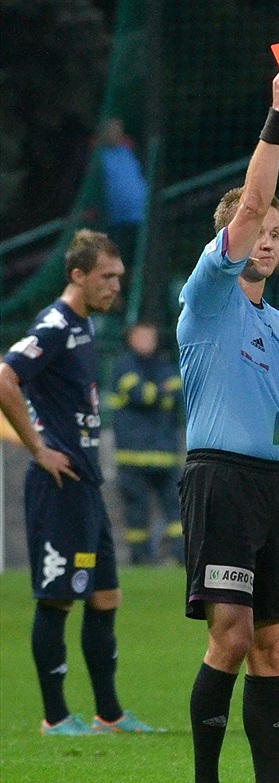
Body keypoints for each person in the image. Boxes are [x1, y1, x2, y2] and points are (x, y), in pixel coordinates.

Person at [176, 66, 279, 783]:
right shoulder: (206, 296)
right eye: (255, 230)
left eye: (272, 233)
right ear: (231, 241)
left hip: (272, 485)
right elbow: (254, 196)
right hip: (220, 480)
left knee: (273, 642)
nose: (266, 237)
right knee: (228, 635)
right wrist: (277, 112)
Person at [0, 229, 155, 736]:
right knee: (58, 597)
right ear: (78, 275)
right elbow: (5, 376)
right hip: (59, 486)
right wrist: (37, 448)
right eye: (107, 277)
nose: (116, 286)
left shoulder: (85, 326)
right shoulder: (54, 325)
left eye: (119, 277)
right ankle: (54, 716)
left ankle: (108, 714)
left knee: (105, 594)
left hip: (85, 485)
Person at [108, 321, 184, 565]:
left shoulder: (164, 365)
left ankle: (180, 556)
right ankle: (140, 559)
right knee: (136, 512)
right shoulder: (123, 367)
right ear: (130, 338)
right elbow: (140, 394)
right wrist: (160, 393)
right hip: (133, 456)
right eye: (142, 336)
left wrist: (156, 393)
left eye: (150, 335)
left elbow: (177, 392)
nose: (147, 340)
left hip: (165, 456)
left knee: (176, 511)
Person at [97, 118, 148, 283]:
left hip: (140, 218)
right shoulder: (98, 157)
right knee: (120, 265)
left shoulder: (129, 151)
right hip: (117, 222)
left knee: (140, 262)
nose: (114, 133)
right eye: (111, 129)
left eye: (117, 128)